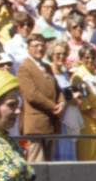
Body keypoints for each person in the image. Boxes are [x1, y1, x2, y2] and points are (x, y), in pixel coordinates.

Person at [16, 33, 63, 163]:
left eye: (42, 45)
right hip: (35, 125)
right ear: (28, 48)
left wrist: (62, 103)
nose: (40, 48)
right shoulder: (24, 68)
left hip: (50, 123)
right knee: (37, 164)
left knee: (49, 164)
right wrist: (54, 106)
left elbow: (58, 89)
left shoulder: (47, 67)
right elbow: (32, 95)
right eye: (36, 45)